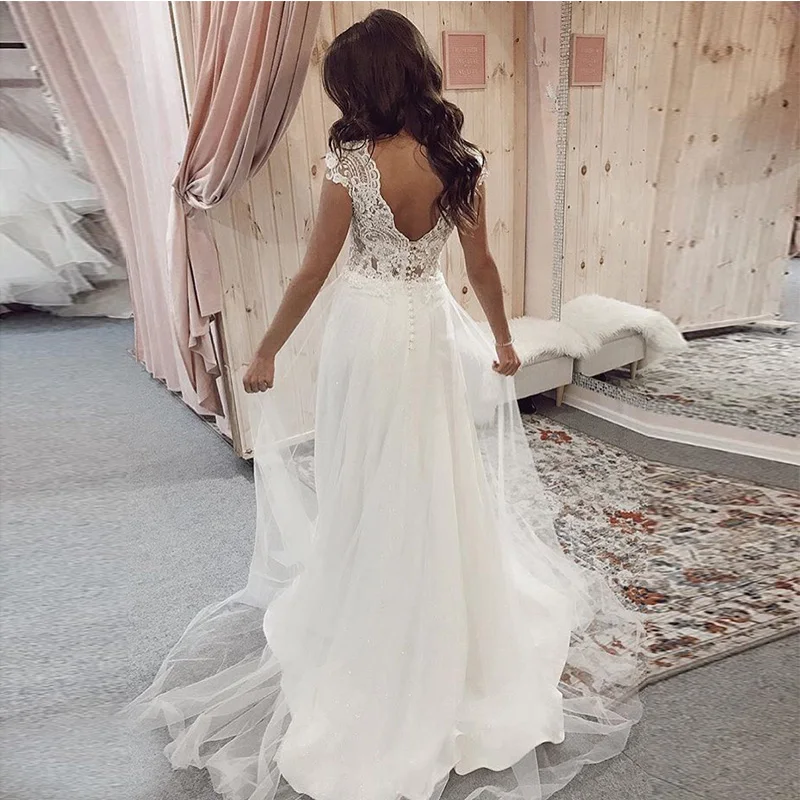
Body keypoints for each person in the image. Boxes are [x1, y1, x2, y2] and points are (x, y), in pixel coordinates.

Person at [127, 10, 643, 800]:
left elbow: (312, 272)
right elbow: (482, 266)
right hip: (428, 328)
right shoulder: (458, 159)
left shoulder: (350, 164)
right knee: (434, 465)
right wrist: (503, 340)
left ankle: (376, 603)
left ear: (362, 87)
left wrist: (265, 352)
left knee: (367, 466)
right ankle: (439, 605)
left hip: (367, 332)